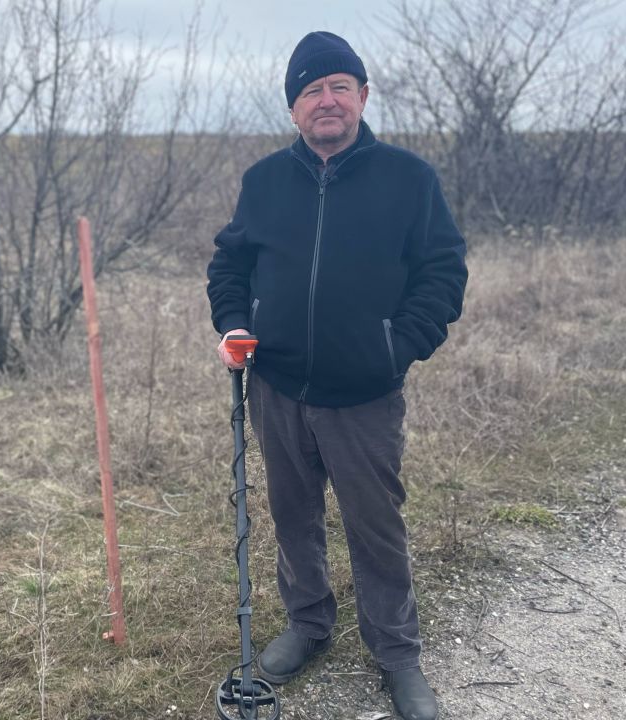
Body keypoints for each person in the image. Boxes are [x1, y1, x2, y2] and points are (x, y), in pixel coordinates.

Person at [205, 31, 467, 720]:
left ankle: (397, 654)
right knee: (293, 517)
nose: (327, 100)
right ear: (294, 108)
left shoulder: (410, 180)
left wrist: (397, 345)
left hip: (365, 395)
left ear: (363, 97)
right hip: (276, 387)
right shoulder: (263, 182)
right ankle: (309, 624)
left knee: (375, 526)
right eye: (311, 90)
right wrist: (232, 326)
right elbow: (229, 266)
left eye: (339, 87)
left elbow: (443, 274)